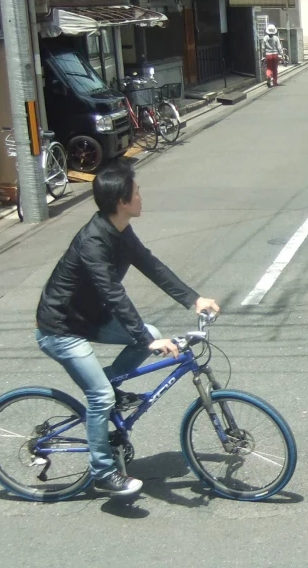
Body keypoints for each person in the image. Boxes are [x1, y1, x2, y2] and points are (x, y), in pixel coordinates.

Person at [35, 160, 220, 496]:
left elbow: (150, 264)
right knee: (102, 394)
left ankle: (108, 389)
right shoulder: (94, 242)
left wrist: (194, 300)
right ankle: (103, 473)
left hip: (87, 318)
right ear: (121, 202)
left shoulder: (118, 229)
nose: (140, 196)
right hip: (59, 327)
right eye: (136, 192)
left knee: (144, 335)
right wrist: (145, 340)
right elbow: (113, 294)